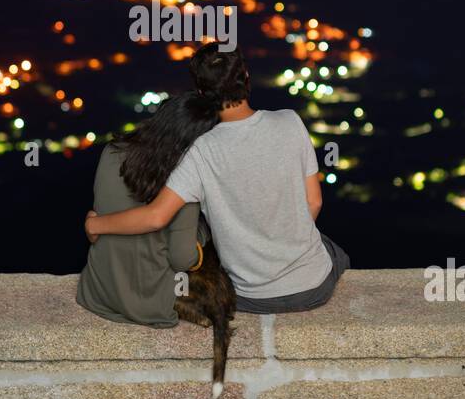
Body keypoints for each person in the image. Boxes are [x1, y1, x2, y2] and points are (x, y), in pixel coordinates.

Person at [84, 43, 350, 313]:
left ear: (202, 93)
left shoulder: (200, 151)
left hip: (252, 298)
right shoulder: (290, 122)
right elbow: (314, 203)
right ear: (246, 77)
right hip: (314, 287)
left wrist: (97, 225)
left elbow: (156, 217)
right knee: (334, 251)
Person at [76, 92, 219, 326]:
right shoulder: (183, 181)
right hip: (148, 306)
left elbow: (104, 214)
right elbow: (182, 258)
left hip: (96, 294)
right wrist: (202, 233)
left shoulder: (111, 151)